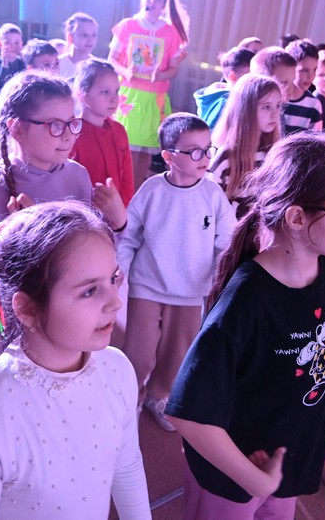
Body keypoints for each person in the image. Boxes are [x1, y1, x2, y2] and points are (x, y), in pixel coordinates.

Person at [165, 132, 325, 519]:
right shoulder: (245, 303)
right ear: (297, 217)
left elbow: (313, 298)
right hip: (236, 472)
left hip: (287, 455)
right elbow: (186, 414)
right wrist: (254, 481)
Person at [0, 201, 150, 519]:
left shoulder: (117, 369)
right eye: (90, 291)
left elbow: (126, 464)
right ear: (26, 309)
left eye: (113, 278)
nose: (115, 302)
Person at [119, 113, 235, 431]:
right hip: (147, 284)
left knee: (177, 354)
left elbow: (226, 242)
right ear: (169, 156)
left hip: (191, 291)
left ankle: (159, 396)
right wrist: (120, 269)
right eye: (194, 151)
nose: (204, 157)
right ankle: (130, 397)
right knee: (138, 353)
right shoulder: (152, 190)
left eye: (207, 149)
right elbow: (129, 235)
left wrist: (219, 279)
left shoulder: (213, 194)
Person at [0, 71, 127, 285]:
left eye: (72, 122)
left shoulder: (78, 174)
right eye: (55, 125)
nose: (69, 135)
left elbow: (91, 248)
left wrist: (118, 224)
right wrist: (20, 245)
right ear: (17, 129)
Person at [108, 0, 189, 189]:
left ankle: (135, 194)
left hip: (154, 99)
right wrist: (126, 71)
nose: (152, 1)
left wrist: (159, 75)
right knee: (126, 149)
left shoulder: (170, 32)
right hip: (129, 97)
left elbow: (173, 69)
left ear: (164, 4)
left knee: (145, 152)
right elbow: (112, 59)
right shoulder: (128, 26)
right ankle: (121, 192)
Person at [208, 73, 282, 203]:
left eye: (278, 106)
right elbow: (209, 203)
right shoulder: (225, 156)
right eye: (266, 107)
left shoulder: (274, 154)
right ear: (246, 109)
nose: (275, 114)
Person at [71, 58, 135, 206]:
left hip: (118, 213)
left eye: (116, 91)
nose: (114, 99)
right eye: (105, 92)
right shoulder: (72, 135)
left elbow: (127, 180)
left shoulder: (119, 131)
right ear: (82, 94)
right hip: (84, 214)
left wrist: (123, 210)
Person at [193, 46, 253, 130]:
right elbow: (211, 134)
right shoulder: (224, 104)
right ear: (233, 77)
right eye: (251, 77)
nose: (256, 80)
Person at [281, 40, 323, 135]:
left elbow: (315, 139)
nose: (310, 76)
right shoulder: (276, 99)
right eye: (305, 70)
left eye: (314, 70)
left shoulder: (314, 104)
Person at [58, 12, 98, 78]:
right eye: (85, 35)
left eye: (94, 35)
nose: (90, 40)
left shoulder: (98, 68)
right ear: (70, 37)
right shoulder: (58, 64)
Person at [0, 22, 25, 87]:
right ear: (0, 44)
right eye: (7, 42)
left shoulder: (21, 62)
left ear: (21, 44)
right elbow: (1, 84)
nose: (13, 46)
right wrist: (5, 65)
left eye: (16, 42)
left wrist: (24, 60)